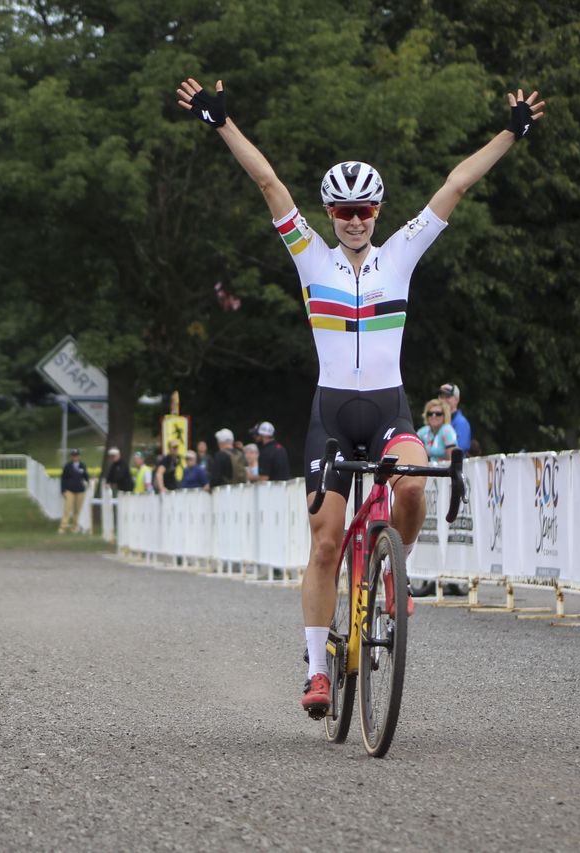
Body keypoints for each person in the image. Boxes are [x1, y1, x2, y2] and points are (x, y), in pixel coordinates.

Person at [176, 75, 545, 717]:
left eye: (364, 211)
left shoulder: (399, 255)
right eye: (342, 212)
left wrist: (511, 132)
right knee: (323, 542)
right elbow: (269, 184)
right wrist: (222, 124)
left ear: (377, 213)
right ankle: (317, 670)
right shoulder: (310, 258)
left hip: (387, 409)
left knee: (411, 488)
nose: (352, 221)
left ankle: (387, 566)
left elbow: (456, 184)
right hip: (330, 415)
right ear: (329, 216)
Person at [59, 448, 89, 533]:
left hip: (80, 490)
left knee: (77, 510)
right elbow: (63, 479)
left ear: (79, 456)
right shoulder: (67, 466)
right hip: (69, 490)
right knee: (67, 509)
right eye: (73, 456)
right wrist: (63, 490)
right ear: (71, 457)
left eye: (76, 456)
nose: (75, 457)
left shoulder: (82, 466)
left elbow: (86, 477)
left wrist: (87, 476)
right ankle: (63, 527)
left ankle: (75, 526)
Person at [438, 384, 472, 456]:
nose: (443, 400)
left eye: (448, 397)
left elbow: (458, 450)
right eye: (441, 396)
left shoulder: (461, 423)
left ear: (457, 400)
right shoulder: (435, 420)